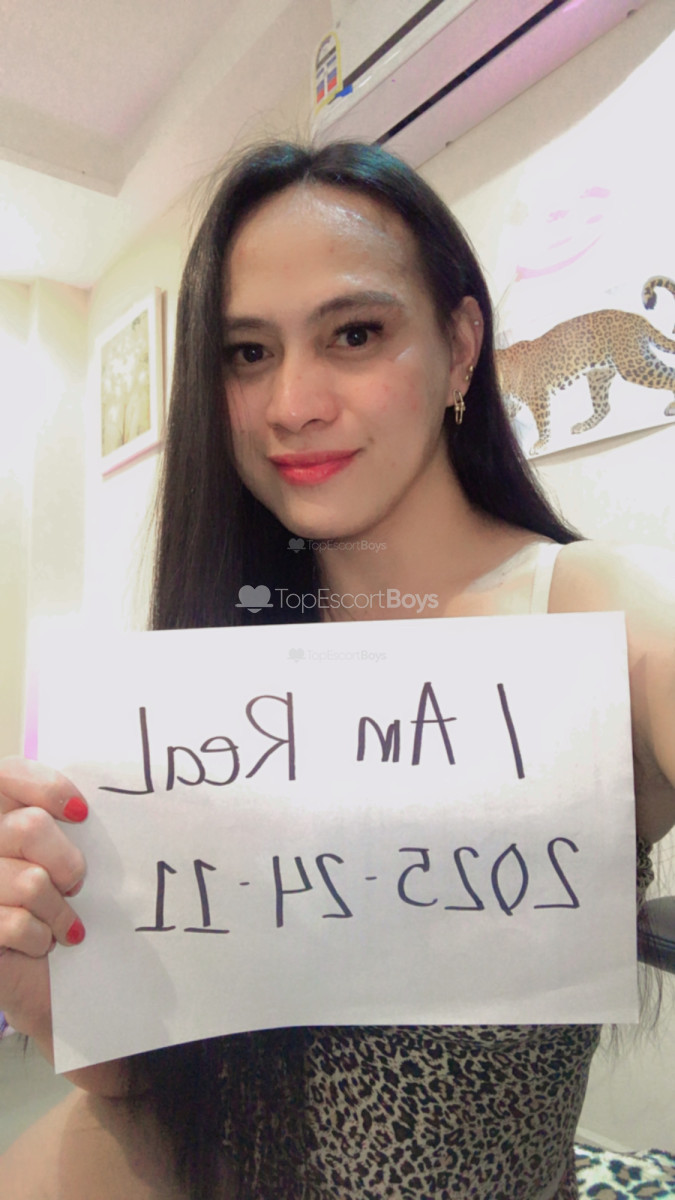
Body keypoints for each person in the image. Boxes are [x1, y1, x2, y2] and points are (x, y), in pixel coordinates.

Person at [0, 140, 674, 1200]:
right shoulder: (210, 674)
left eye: (354, 334)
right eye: (246, 353)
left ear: (461, 348)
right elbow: (155, 1090)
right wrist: (51, 983)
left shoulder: (589, 611)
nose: (292, 403)